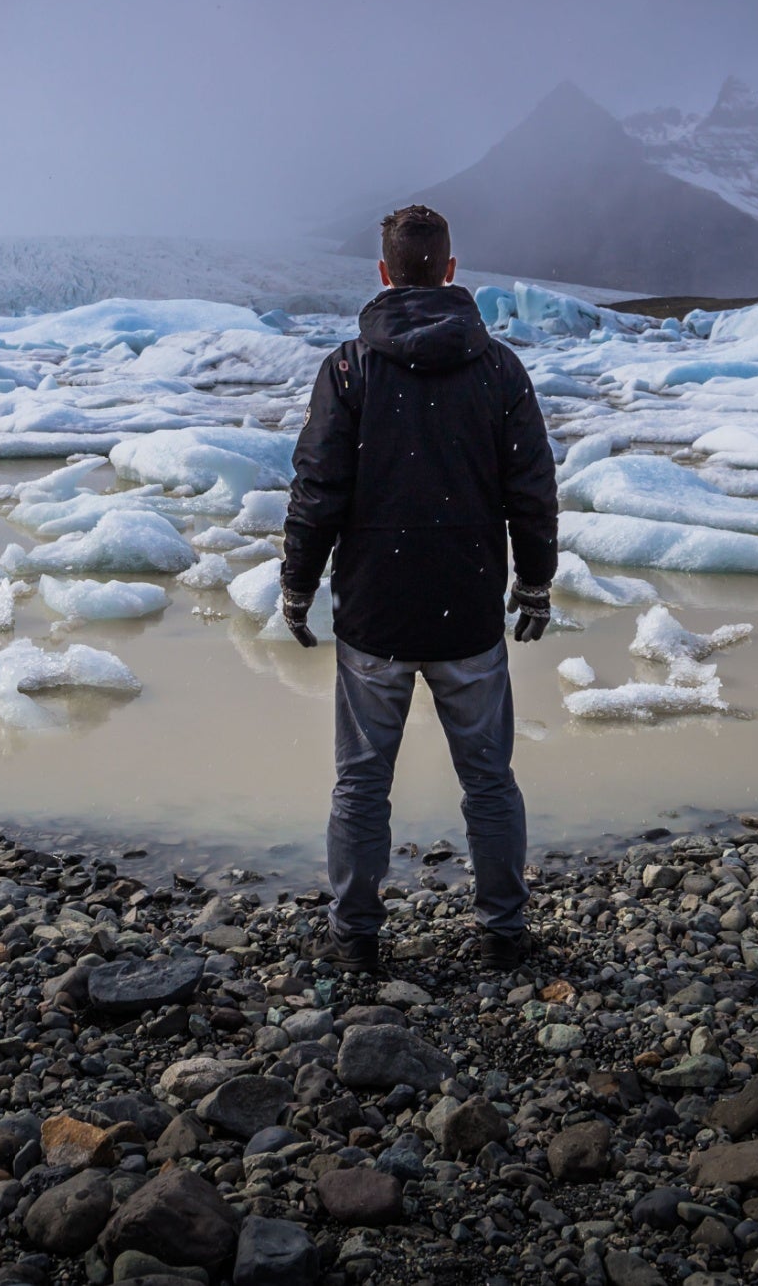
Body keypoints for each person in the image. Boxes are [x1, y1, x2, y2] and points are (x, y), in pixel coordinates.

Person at [279, 204, 558, 972]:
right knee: (489, 778)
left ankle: (356, 936)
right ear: (450, 270)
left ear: (383, 273)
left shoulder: (348, 368)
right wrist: (534, 584)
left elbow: (317, 488)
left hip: (375, 615)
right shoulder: (498, 368)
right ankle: (504, 930)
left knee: (362, 782)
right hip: (467, 610)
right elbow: (532, 488)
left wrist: (297, 587)